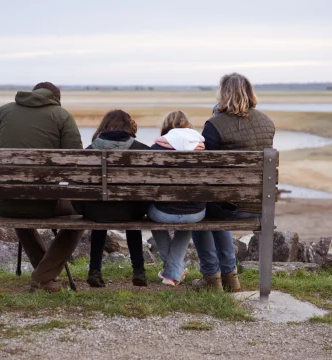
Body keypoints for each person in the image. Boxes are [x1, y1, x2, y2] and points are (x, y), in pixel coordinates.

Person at [0, 82, 84, 293]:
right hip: (46, 204)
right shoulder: (62, 115)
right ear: (55, 98)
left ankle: (43, 274)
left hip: (5, 203)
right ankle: (44, 275)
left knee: (18, 207)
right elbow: (75, 160)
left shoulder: (4, 111)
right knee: (82, 216)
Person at [191, 73, 275, 292]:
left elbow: (204, 168)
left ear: (223, 93)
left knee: (199, 210)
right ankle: (231, 278)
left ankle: (212, 278)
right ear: (250, 92)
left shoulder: (214, 125)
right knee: (220, 206)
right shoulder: (267, 122)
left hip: (228, 207)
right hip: (259, 207)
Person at [74, 110, 150, 287]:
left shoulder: (90, 150)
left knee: (100, 211)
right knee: (132, 213)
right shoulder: (141, 149)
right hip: (131, 211)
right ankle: (139, 271)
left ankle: (94, 270)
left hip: (96, 211)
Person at [148, 111, 206, 286]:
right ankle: (173, 272)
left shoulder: (156, 149)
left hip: (162, 213)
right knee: (188, 213)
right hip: (196, 213)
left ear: (166, 128)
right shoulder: (204, 148)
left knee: (149, 214)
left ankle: (173, 271)